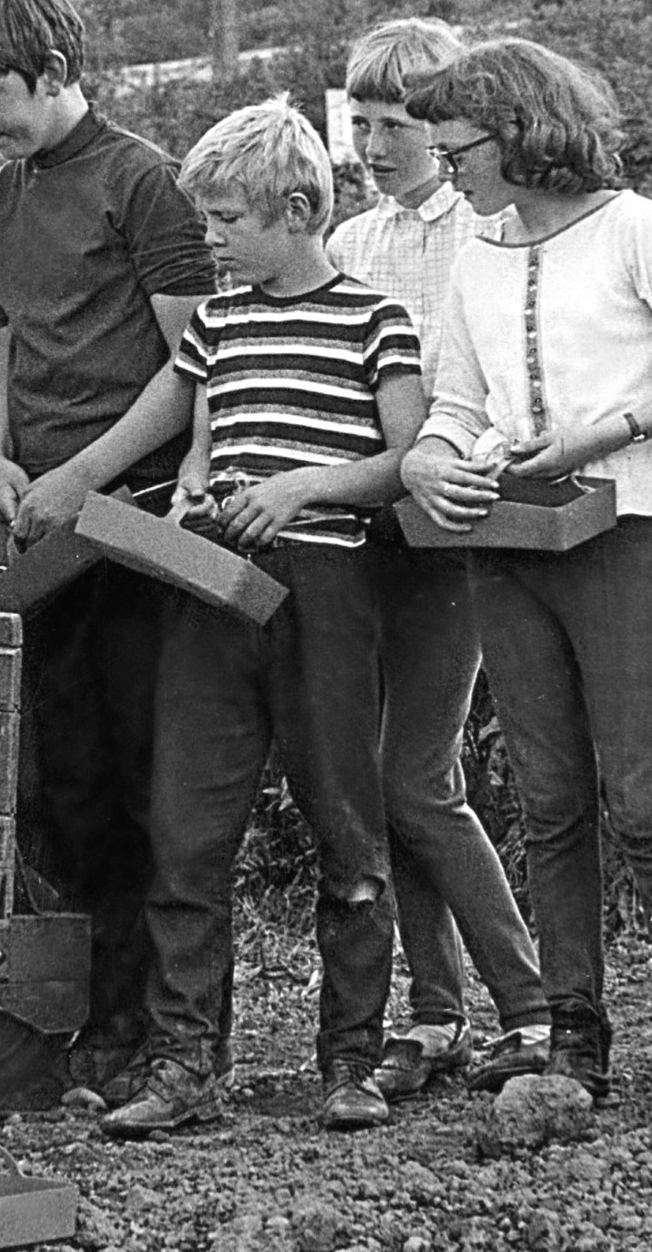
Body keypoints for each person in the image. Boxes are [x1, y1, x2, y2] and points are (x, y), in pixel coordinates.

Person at [400, 37, 652, 1129]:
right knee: (551, 800)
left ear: (518, 135)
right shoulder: (474, 248)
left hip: (621, 530)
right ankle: (575, 1036)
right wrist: (434, 455)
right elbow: (454, 401)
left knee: (646, 798)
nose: (447, 165)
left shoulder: (636, 227)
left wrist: (608, 431)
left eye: (458, 145)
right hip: (510, 542)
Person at [0, 0, 216, 1104]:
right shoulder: (4, 196)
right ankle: (99, 1010)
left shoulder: (144, 183)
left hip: (133, 522)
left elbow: (194, 362)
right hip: (35, 517)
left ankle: (166, 1026)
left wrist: (90, 470)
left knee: (148, 776)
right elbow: (7, 338)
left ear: (52, 70)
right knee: (64, 775)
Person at [98, 99, 423, 1138]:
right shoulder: (218, 322)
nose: (211, 238)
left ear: (294, 208)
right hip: (212, 589)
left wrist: (301, 490)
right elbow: (203, 439)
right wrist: (195, 488)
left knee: (345, 821)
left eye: (227, 217)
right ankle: (186, 1057)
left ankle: (351, 1057)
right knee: (187, 827)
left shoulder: (376, 318)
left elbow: (401, 461)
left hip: (325, 590)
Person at [325, 18, 552, 1100]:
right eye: (360, 120)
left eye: (397, 122)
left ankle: (530, 1003)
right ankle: (437, 1008)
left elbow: (494, 384)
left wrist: (443, 463)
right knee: (379, 777)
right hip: (368, 530)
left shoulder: (489, 230)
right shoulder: (356, 243)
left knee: (416, 774)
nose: (373, 141)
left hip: (453, 529)